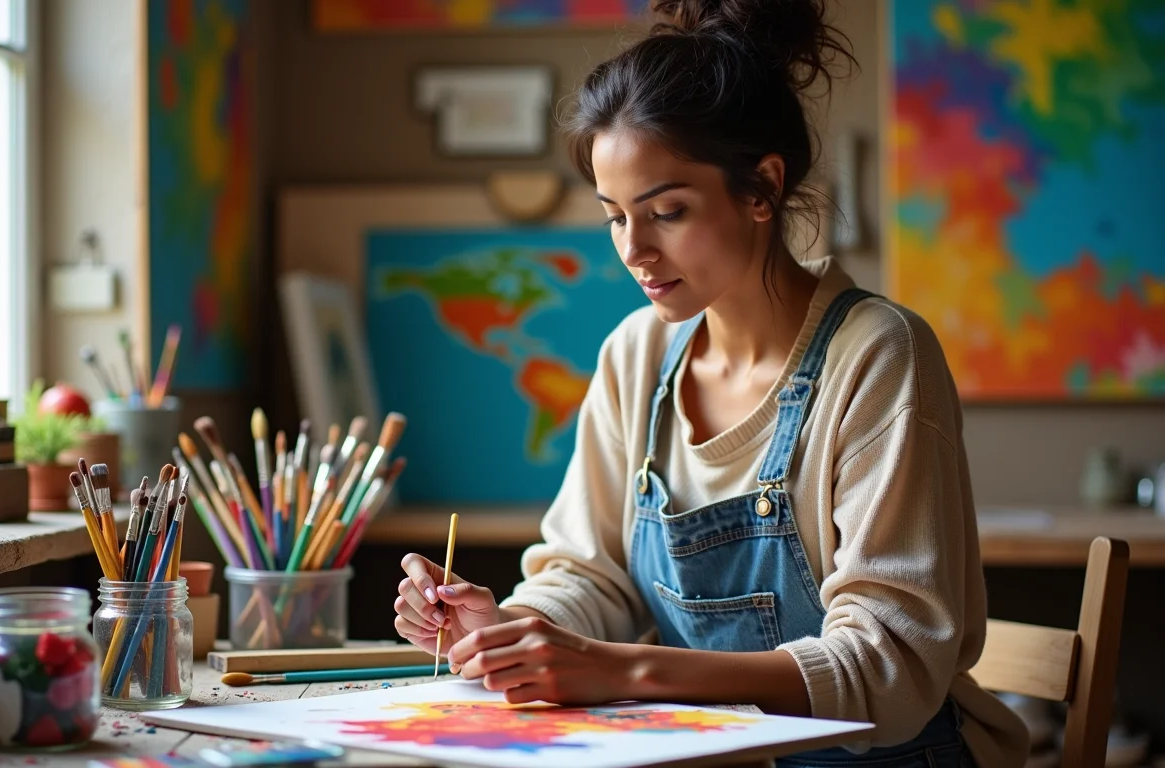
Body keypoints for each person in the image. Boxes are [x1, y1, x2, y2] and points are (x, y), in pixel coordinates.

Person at [392, 0, 1029, 764]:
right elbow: (593, 577)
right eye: (615, 218)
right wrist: (506, 634)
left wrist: (625, 670)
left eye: (667, 211)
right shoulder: (636, 355)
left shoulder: (877, 355)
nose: (636, 250)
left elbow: (888, 667)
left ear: (761, 188)